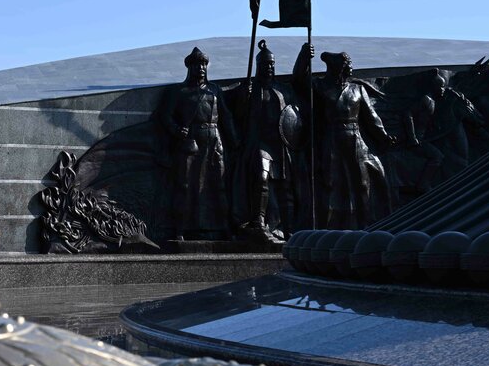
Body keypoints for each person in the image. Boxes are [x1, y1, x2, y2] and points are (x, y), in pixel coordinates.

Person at [231, 41, 312, 239]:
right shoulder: (251, 89)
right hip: (260, 143)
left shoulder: (282, 89)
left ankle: (290, 228)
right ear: (258, 66)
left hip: (282, 144)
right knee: (262, 176)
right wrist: (244, 97)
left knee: (286, 187)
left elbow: (300, 83)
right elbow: (238, 116)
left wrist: (303, 56)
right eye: (266, 64)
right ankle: (258, 219)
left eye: (272, 64)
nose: (269, 68)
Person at [156, 47, 239, 240]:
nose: (201, 68)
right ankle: (179, 230)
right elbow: (164, 116)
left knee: (218, 185)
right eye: (197, 64)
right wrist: (177, 130)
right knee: (184, 186)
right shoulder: (179, 91)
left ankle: (224, 228)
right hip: (190, 142)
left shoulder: (215, 90)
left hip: (213, 141)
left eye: (203, 64)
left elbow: (226, 117)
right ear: (189, 67)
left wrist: (235, 142)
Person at [313, 48, 396, 228]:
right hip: (332, 138)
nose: (351, 68)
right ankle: (327, 226)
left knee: (364, 182)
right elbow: (299, 83)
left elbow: (371, 117)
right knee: (330, 183)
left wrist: (383, 136)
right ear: (338, 67)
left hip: (355, 138)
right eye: (347, 65)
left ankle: (366, 223)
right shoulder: (320, 87)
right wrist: (304, 57)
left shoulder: (357, 89)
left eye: (350, 64)